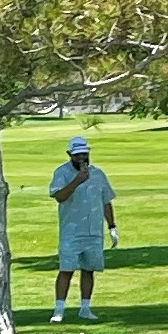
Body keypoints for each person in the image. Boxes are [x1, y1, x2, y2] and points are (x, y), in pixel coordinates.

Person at [50, 138, 117, 322]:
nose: (82, 158)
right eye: (77, 155)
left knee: (89, 269)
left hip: (93, 230)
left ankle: (85, 308)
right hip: (71, 231)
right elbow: (60, 197)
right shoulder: (62, 173)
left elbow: (106, 201)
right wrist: (77, 181)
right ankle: (59, 309)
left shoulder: (98, 174)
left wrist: (112, 226)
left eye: (84, 154)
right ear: (70, 155)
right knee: (66, 269)